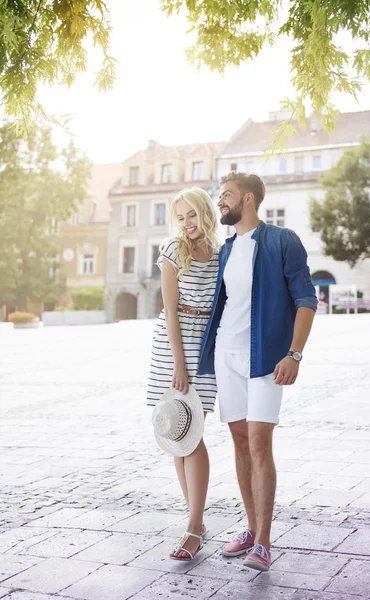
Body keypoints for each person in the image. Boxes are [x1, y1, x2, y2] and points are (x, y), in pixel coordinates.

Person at [198, 171, 318, 572]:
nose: (221, 203)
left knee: (259, 442)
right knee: (238, 440)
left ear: (248, 199)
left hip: (266, 358)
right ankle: (250, 528)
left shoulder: (282, 241)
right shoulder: (226, 250)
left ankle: (264, 543)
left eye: (226, 196)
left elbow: (305, 299)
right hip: (226, 357)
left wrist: (294, 354)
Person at [146, 187, 219, 561]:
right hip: (173, 346)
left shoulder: (221, 254)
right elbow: (170, 310)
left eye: (192, 215)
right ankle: (196, 522)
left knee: (194, 435)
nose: (187, 223)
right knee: (178, 433)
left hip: (204, 346)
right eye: (181, 217)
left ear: (205, 213)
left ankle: (194, 525)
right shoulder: (173, 250)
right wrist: (178, 363)